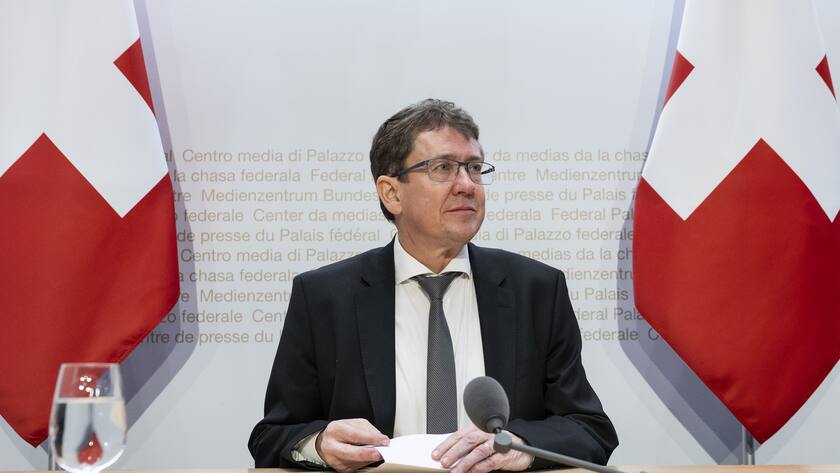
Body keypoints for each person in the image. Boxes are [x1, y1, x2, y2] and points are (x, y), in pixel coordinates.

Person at [249, 99, 618, 473]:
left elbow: (589, 429)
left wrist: (521, 446)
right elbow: (273, 435)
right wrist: (319, 444)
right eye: (443, 168)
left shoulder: (536, 289)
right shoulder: (325, 297)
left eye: (474, 168)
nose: (466, 185)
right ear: (392, 193)